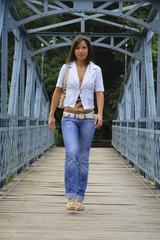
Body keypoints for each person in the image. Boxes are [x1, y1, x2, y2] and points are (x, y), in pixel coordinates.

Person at [48, 35, 104, 211]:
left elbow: (100, 93)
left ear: (88, 50)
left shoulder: (96, 70)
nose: (81, 51)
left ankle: (80, 197)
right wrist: (51, 115)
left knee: (83, 159)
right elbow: (57, 92)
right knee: (71, 154)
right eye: (78, 48)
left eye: (84, 48)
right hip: (69, 117)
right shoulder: (66, 68)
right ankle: (70, 196)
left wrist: (100, 114)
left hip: (88, 119)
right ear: (74, 50)